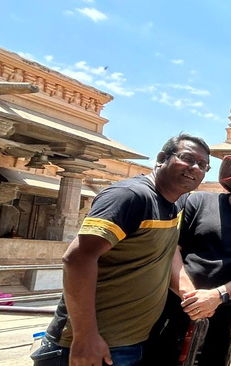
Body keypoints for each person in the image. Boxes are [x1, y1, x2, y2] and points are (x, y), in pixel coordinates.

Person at [34, 133, 210, 366]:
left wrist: (188, 293)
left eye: (202, 165)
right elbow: (77, 259)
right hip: (94, 346)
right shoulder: (130, 196)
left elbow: (167, 252)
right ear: (161, 158)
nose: (194, 168)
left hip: (132, 342)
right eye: (187, 158)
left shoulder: (174, 203)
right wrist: (85, 336)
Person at [143, 150, 231, 366]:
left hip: (228, 316)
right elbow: (171, 248)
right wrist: (189, 295)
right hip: (176, 306)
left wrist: (217, 296)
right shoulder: (198, 202)